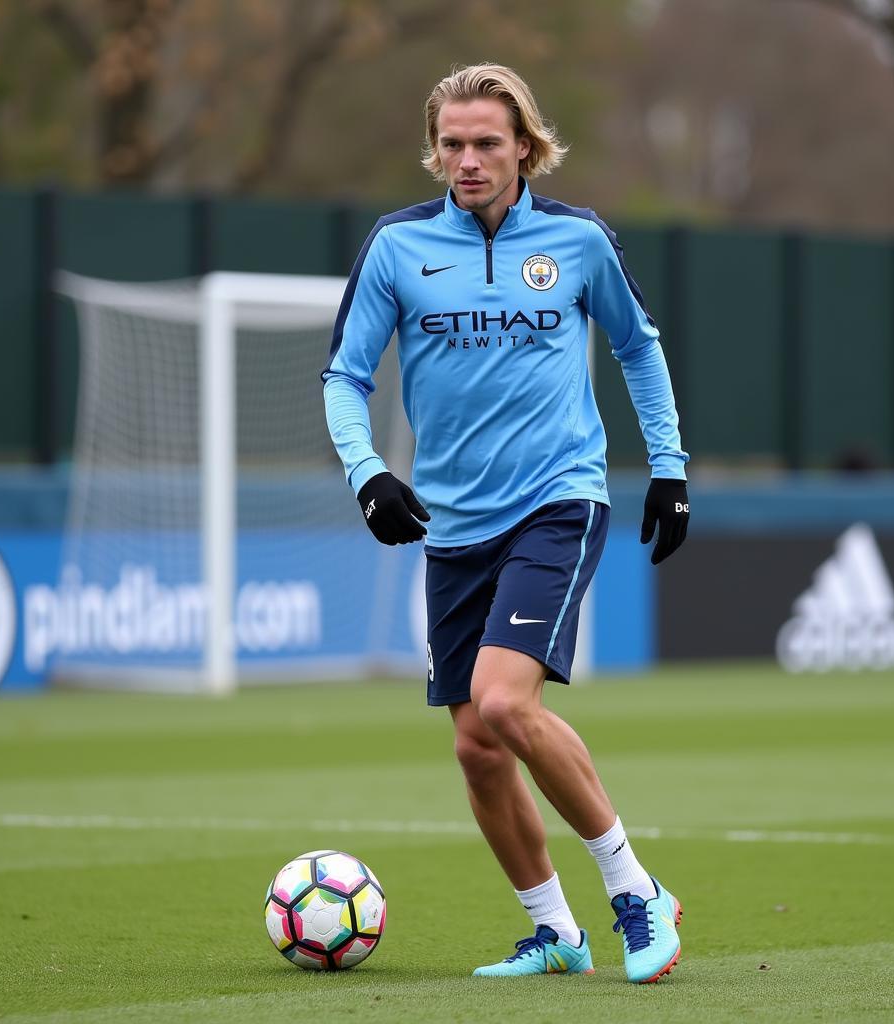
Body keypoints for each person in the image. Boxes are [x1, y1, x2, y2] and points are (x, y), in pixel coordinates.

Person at [322, 63, 690, 984]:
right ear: (435, 149)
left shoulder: (577, 239)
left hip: (558, 499)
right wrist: (369, 471)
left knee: (502, 700)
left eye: (488, 142)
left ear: (526, 144)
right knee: (477, 746)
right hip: (452, 522)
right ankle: (554, 930)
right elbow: (344, 377)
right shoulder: (398, 246)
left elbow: (639, 349)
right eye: (452, 144)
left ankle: (635, 892)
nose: (469, 160)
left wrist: (670, 469)